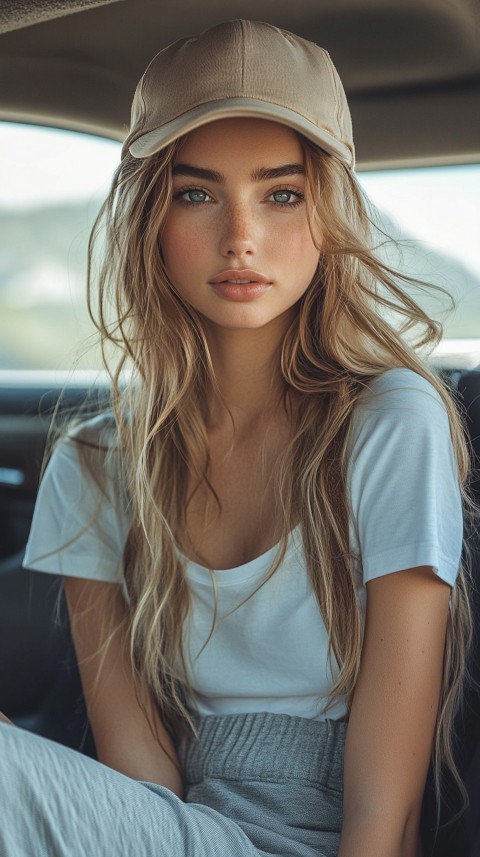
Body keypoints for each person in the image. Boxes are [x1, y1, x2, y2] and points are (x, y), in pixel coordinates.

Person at [0, 18, 473, 857]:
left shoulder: (393, 420)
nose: (241, 236)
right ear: (151, 215)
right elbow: (140, 784)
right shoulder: (96, 464)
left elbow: (386, 814)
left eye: (281, 193)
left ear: (327, 212)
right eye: (197, 192)